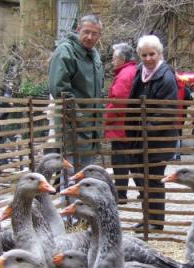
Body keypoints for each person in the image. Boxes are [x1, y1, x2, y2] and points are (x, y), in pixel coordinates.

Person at [127, 35, 179, 232]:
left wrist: (144, 127)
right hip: (139, 137)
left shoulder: (166, 77)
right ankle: (148, 217)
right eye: (144, 55)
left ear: (160, 54)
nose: (148, 58)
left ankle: (156, 222)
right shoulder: (140, 71)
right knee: (140, 176)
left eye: (152, 54)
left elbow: (166, 112)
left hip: (158, 139)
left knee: (153, 178)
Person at [48, 14, 104, 171]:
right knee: (71, 173)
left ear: (100, 36)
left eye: (95, 34)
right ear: (78, 29)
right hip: (72, 125)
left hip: (92, 127)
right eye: (86, 31)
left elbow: (98, 90)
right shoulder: (65, 52)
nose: (89, 37)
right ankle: (67, 196)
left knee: (86, 175)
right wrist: (78, 116)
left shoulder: (95, 55)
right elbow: (60, 89)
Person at [104, 43, 136, 204]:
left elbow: (118, 102)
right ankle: (143, 191)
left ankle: (121, 194)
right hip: (126, 124)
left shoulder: (124, 74)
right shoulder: (131, 71)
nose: (112, 61)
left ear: (122, 59)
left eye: (114, 58)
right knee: (132, 159)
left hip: (121, 126)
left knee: (120, 160)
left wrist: (106, 119)